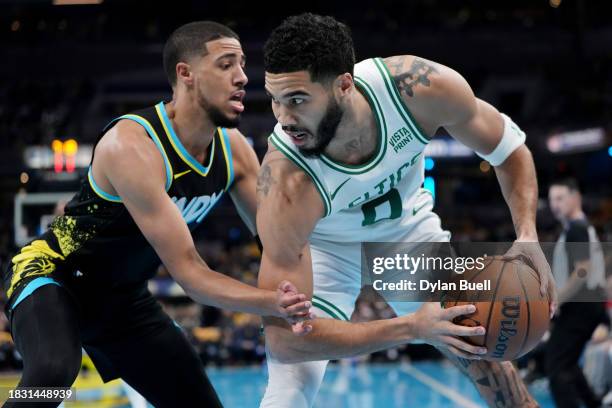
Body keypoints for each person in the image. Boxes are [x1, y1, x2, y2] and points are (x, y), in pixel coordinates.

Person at [2, 21, 310, 408]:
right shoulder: (132, 145)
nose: (242, 77)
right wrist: (273, 302)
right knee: (51, 373)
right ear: (186, 74)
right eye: (226, 64)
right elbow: (192, 275)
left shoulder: (234, 152)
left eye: (243, 64)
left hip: (122, 300)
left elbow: (277, 242)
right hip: (52, 275)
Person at [256, 13, 557, 408]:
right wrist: (411, 327)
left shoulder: (417, 88)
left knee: (491, 364)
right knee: (286, 395)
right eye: (274, 99)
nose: (283, 117)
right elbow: (283, 342)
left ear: (344, 85)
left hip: (406, 236)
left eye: (296, 99)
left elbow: (510, 151)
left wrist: (528, 235)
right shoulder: (285, 182)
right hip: (324, 250)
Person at [546, 178, 608, 408]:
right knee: (568, 365)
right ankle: (593, 403)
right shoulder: (579, 227)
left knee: (556, 367)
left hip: (581, 307)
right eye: (552, 199)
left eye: (560, 198)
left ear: (576, 198)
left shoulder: (577, 229)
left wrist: (557, 300)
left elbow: (583, 269)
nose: (555, 204)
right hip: (587, 306)